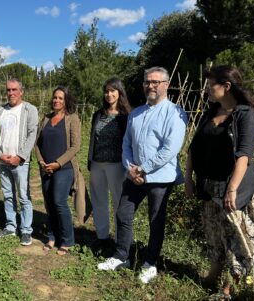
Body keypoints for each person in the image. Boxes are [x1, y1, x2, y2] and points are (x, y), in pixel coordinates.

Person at [97, 67, 187, 284]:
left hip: (160, 178)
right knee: (122, 213)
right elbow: (126, 143)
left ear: (166, 84)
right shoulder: (136, 113)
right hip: (134, 176)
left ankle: (150, 263)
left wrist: (143, 168)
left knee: (155, 221)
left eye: (155, 82)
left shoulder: (175, 112)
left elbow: (170, 149)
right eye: (147, 82)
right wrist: (130, 168)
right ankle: (122, 256)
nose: (151, 86)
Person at [185, 66, 254, 298]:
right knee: (214, 234)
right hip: (209, 187)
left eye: (210, 86)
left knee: (236, 238)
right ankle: (213, 275)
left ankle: (230, 287)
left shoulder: (245, 114)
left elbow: (244, 155)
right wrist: (189, 179)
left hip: (232, 188)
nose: (206, 90)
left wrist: (232, 189)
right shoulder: (211, 112)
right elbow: (193, 149)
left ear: (226, 87)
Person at [0, 78, 39, 246]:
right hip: (3, 161)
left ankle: (26, 230)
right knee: (8, 195)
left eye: (14, 90)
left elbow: (32, 134)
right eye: (8, 90)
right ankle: (11, 226)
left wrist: (20, 156)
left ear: (21, 91)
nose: (11, 93)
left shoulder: (29, 110)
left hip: (20, 162)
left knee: (24, 196)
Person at [34, 86, 80, 255]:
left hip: (63, 168)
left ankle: (67, 239)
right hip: (45, 168)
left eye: (61, 98)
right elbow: (37, 143)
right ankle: (52, 236)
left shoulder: (72, 119)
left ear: (66, 100)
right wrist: (40, 161)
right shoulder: (45, 118)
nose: (57, 101)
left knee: (59, 202)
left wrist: (57, 163)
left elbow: (75, 146)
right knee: (49, 204)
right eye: (55, 97)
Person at [88, 77, 131, 247]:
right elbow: (93, 140)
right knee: (99, 201)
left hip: (116, 165)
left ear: (120, 93)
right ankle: (102, 236)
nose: (109, 94)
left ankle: (120, 240)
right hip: (98, 164)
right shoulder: (98, 114)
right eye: (106, 91)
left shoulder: (126, 116)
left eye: (113, 90)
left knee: (118, 202)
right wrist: (90, 160)